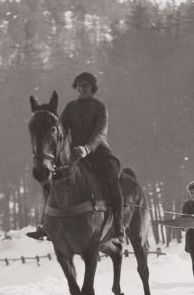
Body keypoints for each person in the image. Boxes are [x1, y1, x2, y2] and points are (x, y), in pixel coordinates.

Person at [27, 72, 124, 246]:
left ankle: (117, 224)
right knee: (51, 180)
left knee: (112, 179)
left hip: (99, 154)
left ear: (92, 89)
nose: (81, 89)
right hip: (75, 156)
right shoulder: (70, 107)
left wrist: (86, 148)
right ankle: (45, 223)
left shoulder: (100, 107)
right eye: (78, 86)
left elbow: (100, 134)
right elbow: (61, 131)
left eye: (85, 86)